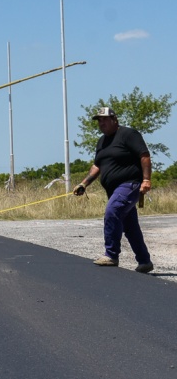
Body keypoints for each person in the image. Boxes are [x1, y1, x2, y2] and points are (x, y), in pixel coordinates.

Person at [73, 107, 154, 273]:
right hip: (113, 189)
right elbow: (97, 165)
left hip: (129, 185)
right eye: (99, 121)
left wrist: (146, 180)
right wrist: (83, 184)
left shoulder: (128, 134)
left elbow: (144, 155)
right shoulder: (101, 142)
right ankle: (144, 261)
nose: (101, 123)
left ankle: (111, 255)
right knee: (130, 226)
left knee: (112, 211)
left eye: (104, 119)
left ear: (114, 119)